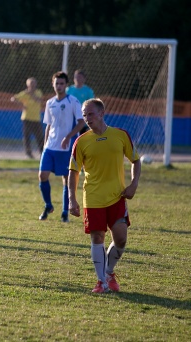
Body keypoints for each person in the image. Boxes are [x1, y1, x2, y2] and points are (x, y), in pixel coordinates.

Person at [68, 98, 141, 293]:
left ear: (101, 113)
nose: (87, 118)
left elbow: (135, 160)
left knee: (121, 239)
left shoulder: (120, 135)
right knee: (97, 238)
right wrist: (72, 199)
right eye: (84, 115)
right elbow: (73, 171)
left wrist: (133, 184)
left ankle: (109, 272)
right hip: (92, 198)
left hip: (117, 196)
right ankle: (101, 281)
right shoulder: (81, 141)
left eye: (90, 114)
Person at [38, 71, 85, 223]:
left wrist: (69, 136)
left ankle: (65, 212)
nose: (59, 86)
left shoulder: (73, 101)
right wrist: (45, 144)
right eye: (56, 83)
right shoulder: (50, 103)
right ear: (53, 84)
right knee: (42, 175)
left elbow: (81, 122)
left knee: (67, 179)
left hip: (66, 147)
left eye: (62, 83)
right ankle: (48, 205)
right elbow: (48, 125)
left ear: (66, 85)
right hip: (50, 146)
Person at [10, 77, 44, 159]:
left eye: (33, 84)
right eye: (30, 84)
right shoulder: (24, 93)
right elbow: (13, 99)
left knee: (39, 136)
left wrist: (30, 94)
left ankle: (42, 152)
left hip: (36, 118)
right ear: (27, 85)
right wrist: (21, 105)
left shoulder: (38, 92)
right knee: (27, 136)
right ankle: (28, 153)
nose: (32, 86)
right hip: (26, 118)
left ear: (36, 84)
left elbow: (39, 100)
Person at [66, 70, 95, 135]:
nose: (78, 79)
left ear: (84, 79)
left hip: (83, 122)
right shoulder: (68, 90)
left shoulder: (88, 91)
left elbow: (92, 106)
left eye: (80, 77)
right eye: (76, 77)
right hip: (71, 121)